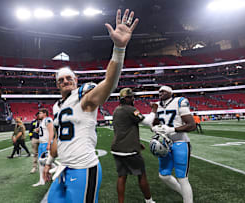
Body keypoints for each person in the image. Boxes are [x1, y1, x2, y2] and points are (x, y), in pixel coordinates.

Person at [43, 9, 139, 203]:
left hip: (83, 168)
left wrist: (119, 49)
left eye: (69, 77)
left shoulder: (83, 99)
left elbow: (109, 83)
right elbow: (58, 139)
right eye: (61, 79)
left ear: (76, 80)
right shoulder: (57, 106)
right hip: (63, 167)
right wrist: (48, 162)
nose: (66, 81)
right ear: (57, 84)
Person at [151, 86, 196, 203]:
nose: (160, 92)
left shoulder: (179, 102)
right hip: (165, 143)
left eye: (163, 91)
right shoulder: (157, 105)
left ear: (171, 92)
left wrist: (173, 129)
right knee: (164, 175)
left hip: (180, 142)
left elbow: (192, 125)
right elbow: (154, 123)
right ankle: (184, 193)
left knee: (182, 177)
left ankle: (188, 200)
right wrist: (155, 127)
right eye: (159, 91)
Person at [111, 88, 156, 203]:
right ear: (126, 98)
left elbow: (122, 130)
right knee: (141, 175)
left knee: (122, 177)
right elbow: (147, 122)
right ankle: (149, 201)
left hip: (117, 148)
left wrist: (136, 142)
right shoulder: (130, 109)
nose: (133, 99)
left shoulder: (116, 110)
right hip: (129, 150)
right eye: (131, 97)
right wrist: (154, 110)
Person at [33, 108, 54, 187]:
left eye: (40, 113)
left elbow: (51, 132)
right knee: (42, 162)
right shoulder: (42, 121)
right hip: (41, 143)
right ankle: (45, 178)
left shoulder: (48, 120)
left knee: (46, 162)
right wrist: (38, 130)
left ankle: (43, 179)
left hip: (45, 143)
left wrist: (49, 143)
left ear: (45, 113)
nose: (39, 114)